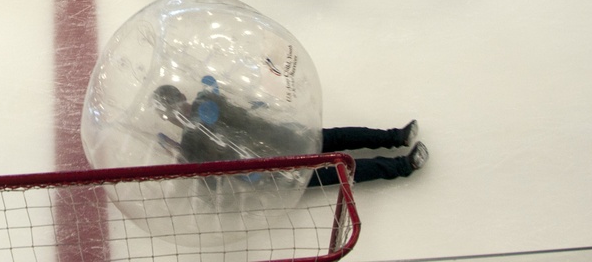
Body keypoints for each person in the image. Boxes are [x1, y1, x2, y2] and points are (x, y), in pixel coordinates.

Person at [154, 84, 429, 186]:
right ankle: (403, 165)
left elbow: (243, 114)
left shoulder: (205, 100)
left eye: (176, 101)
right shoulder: (191, 141)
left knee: (338, 138)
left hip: (281, 137)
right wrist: (182, 155)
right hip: (275, 170)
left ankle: (396, 137)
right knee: (342, 170)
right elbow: (211, 181)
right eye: (170, 110)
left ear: (182, 95)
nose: (177, 110)